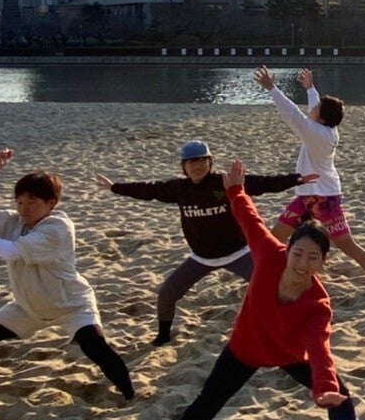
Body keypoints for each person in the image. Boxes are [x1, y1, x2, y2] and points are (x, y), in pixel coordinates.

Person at [132, 158, 365, 420]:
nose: (302, 263)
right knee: (206, 402)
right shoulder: (269, 255)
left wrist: (324, 389)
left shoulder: (317, 303)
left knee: (340, 396)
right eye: (297, 253)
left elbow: (319, 348)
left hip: (288, 353)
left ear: (323, 261)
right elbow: (250, 220)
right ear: (287, 250)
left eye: (312, 257)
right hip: (245, 348)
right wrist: (236, 191)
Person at [96, 139, 314, 346]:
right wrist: (115, 187)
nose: (198, 166)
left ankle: (290, 328)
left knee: (273, 288)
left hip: (238, 254)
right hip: (201, 258)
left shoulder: (224, 182)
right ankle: (163, 336)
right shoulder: (179, 188)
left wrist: (296, 179)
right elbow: (148, 189)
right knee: (167, 294)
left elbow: (263, 183)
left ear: (210, 162)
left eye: (203, 160)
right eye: (192, 161)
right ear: (184, 166)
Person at [0, 149, 134, 399]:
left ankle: (129, 395)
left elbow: (10, 252)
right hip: (28, 307)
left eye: (32, 203)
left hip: (72, 305)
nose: (24, 209)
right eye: (20, 202)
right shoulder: (14, 221)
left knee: (96, 348)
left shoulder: (57, 228)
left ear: (51, 204)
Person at [255, 66, 365, 289]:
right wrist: (310, 89)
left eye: (316, 108)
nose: (312, 109)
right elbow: (311, 113)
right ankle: (260, 274)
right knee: (274, 237)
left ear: (322, 118)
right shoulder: (325, 128)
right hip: (306, 196)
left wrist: (272, 89)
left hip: (325, 199)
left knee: (347, 244)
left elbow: (293, 114)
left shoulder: (317, 134)